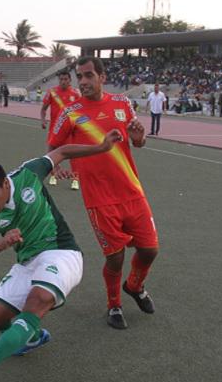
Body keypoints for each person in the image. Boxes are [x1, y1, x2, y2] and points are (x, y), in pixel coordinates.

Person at [0, 129, 123, 382]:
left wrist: (101, 147)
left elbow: (62, 151)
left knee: (39, 297)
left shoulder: (28, 173)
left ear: (4, 183)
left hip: (62, 252)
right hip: (27, 263)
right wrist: (1, 243)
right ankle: (30, 336)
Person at [50, 57, 158, 330]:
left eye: (88, 76)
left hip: (132, 190)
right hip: (99, 198)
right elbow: (54, 146)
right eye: (79, 77)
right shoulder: (71, 112)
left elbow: (139, 140)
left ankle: (134, 286)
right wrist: (57, 166)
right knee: (115, 256)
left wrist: (138, 138)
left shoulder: (122, 104)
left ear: (101, 76)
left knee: (149, 250)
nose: (83, 82)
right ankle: (114, 305)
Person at [40, 70, 81, 190]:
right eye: (61, 79)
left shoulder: (76, 93)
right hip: (54, 130)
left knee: (74, 156)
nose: (63, 81)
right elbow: (43, 109)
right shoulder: (51, 92)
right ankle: (53, 175)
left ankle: (75, 179)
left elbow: (82, 111)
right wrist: (43, 120)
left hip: (71, 131)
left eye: (65, 79)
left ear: (70, 80)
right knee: (52, 155)